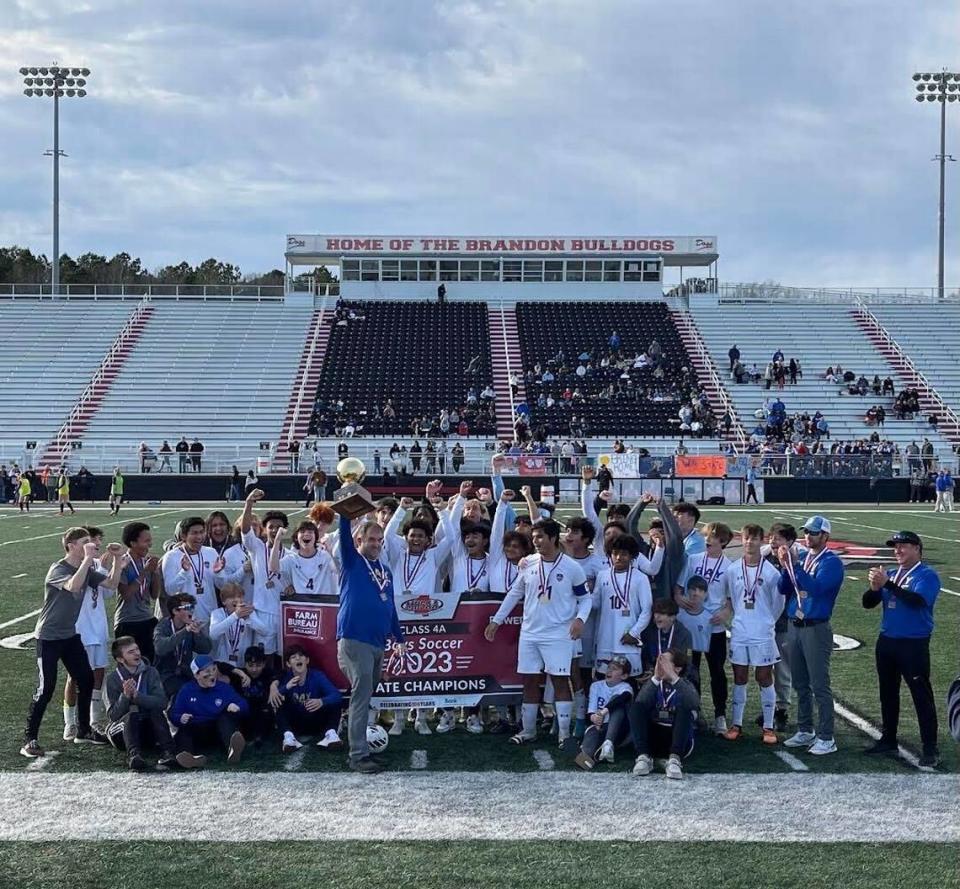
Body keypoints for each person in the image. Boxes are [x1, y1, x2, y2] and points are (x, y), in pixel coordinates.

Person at [485, 518, 590, 748]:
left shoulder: (572, 567)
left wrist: (580, 619)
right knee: (530, 681)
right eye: (534, 538)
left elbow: (585, 599)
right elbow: (515, 593)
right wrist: (497, 621)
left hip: (559, 634)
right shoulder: (528, 563)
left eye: (540, 537)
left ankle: (564, 734)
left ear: (553, 538)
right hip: (530, 633)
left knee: (561, 680)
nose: (536, 542)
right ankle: (529, 730)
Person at [21, 529, 124, 758]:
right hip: (48, 637)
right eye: (85, 542)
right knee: (45, 688)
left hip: (69, 635)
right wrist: (88, 560)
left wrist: (117, 559)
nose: (91, 545)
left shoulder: (87, 568)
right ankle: (30, 739)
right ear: (70, 545)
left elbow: (111, 584)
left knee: (86, 679)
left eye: (91, 541)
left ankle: (83, 730)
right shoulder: (58, 569)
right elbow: (73, 586)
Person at [336, 506, 405, 773]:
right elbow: (343, 534)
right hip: (354, 638)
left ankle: (356, 742)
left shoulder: (385, 571)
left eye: (379, 540)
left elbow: (391, 607)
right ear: (359, 541)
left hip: (378, 642)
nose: (376, 544)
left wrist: (398, 637)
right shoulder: (353, 561)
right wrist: (345, 510)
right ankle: (357, 755)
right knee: (361, 697)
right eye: (371, 540)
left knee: (364, 694)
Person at [863, 531, 941, 767]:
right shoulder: (894, 574)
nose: (897, 550)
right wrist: (876, 587)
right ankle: (888, 739)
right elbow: (868, 603)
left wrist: (888, 584)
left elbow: (917, 601)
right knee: (887, 693)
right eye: (895, 547)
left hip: (913, 643)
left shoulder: (927, 575)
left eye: (903, 546)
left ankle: (930, 747)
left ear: (917, 548)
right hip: (887, 641)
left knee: (921, 696)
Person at [777, 516, 844, 755]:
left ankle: (827, 736)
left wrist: (793, 566)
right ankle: (805, 728)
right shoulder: (804, 557)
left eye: (814, 533)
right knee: (800, 683)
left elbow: (815, 589)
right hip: (795, 625)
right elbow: (784, 589)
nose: (808, 537)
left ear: (825, 536)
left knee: (819, 685)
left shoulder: (832, 562)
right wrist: (786, 568)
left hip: (816, 627)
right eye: (806, 532)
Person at [719, 524, 785, 745]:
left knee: (764, 678)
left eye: (754, 539)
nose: (749, 542)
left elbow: (778, 604)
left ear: (761, 541)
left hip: (763, 633)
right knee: (739, 678)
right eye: (746, 538)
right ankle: (736, 724)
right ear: (742, 539)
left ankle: (768, 726)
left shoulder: (771, 572)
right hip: (739, 632)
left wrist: (766, 622)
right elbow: (730, 598)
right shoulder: (732, 570)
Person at [103, 636, 196, 771]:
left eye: (137, 649)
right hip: (121, 733)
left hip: (148, 729)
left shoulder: (151, 672)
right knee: (132, 712)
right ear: (120, 659)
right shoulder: (113, 679)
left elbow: (162, 703)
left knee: (155, 711)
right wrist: (125, 696)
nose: (137, 653)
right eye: (130, 652)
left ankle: (168, 753)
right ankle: (134, 756)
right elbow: (113, 716)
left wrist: (138, 696)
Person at [675, 522, 732, 734]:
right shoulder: (693, 560)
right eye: (707, 535)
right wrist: (679, 599)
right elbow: (679, 588)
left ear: (723, 542)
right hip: (690, 625)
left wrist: (726, 613)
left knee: (717, 671)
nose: (708, 539)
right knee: (691, 670)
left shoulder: (729, 567)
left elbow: (730, 599)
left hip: (713, 628)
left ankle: (720, 715)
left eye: (713, 536)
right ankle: (695, 711)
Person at [63, 526, 115, 739]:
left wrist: (112, 566)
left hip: (98, 626)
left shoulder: (97, 566)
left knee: (99, 673)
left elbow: (109, 593)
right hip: (79, 628)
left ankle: (94, 720)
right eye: (92, 542)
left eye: (97, 542)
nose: (97, 546)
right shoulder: (73, 566)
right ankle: (70, 722)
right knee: (74, 677)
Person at [629, 649, 699, 779]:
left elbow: (694, 703)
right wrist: (655, 678)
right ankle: (643, 757)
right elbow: (640, 701)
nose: (660, 664)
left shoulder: (685, 684)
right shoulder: (655, 684)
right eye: (659, 661)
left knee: (685, 708)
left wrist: (673, 678)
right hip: (655, 737)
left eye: (664, 662)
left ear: (677, 668)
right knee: (636, 707)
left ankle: (675, 759)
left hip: (677, 738)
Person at [168, 655, 248, 765]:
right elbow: (173, 714)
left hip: (217, 731)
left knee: (225, 718)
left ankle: (232, 750)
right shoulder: (186, 690)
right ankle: (189, 758)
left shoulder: (223, 688)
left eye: (214, 670)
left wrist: (237, 707)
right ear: (196, 675)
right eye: (207, 671)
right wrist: (180, 718)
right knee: (184, 730)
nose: (212, 674)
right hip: (197, 730)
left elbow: (244, 704)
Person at [592, 535, 653, 676]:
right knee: (604, 681)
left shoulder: (640, 578)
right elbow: (595, 603)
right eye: (615, 553)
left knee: (629, 683)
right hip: (605, 641)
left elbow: (647, 610)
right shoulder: (602, 575)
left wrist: (634, 632)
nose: (618, 557)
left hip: (628, 641)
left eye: (624, 554)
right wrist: (581, 595)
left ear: (632, 556)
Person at [240, 489, 290, 659]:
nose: (275, 530)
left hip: (283, 611)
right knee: (263, 657)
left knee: (284, 656)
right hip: (262, 611)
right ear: (264, 529)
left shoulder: (291, 555)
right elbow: (245, 530)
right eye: (271, 527)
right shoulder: (257, 548)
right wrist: (249, 503)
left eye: (279, 527)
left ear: (285, 530)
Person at [270, 645, 344, 752]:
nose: (298, 658)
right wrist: (286, 688)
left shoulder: (317, 676)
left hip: (316, 721)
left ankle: (331, 734)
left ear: (307, 660)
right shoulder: (284, 677)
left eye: (301, 656)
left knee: (335, 703)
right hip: (295, 723)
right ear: (288, 664)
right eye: (293, 657)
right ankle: (288, 737)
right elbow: (273, 699)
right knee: (279, 704)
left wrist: (321, 701)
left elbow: (337, 695)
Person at [575, 655, 634, 770]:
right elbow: (590, 711)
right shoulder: (596, 686)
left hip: (619, 727)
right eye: (609, 667)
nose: (610, 670)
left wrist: (603, 712)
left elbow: (623, 698)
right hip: (599, 726)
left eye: (615, 669)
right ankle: (596, 751)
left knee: (617, 703)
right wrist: (594, 718)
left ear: (624, 676)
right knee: (584, 759)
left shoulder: (625, 687)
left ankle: (608, 743)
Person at [115, 522, 162, 664]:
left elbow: (155, 595)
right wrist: (145, 572)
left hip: (147, 619)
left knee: (150, 664)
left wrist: (156, 573)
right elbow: (127, 595)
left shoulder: (146, 562)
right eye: (146, 541)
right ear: (133, 543)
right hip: (127, 621)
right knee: (129, 666)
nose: (150, 544)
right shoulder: (122, 563)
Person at [153, 593, 213, 698]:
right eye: (187, 608)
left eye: (192, 607)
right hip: (165, 674)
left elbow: (206, 649)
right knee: (184, 691)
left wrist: (198, 634)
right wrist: (185, 631)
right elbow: (160, 648)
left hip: (186, 673)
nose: (191, 611)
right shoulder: (163, 626)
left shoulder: (191, 626)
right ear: (175, 611)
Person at [209, 583, 268, 668]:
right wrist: (235, 616)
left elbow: (265, 631)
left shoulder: (248, 612)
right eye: (232, 597)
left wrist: (248, 619)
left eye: (240, 597)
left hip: (244, 664)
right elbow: (213, 635)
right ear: (223, 601)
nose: (236, 600)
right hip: (222, 664)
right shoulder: (217, 613)